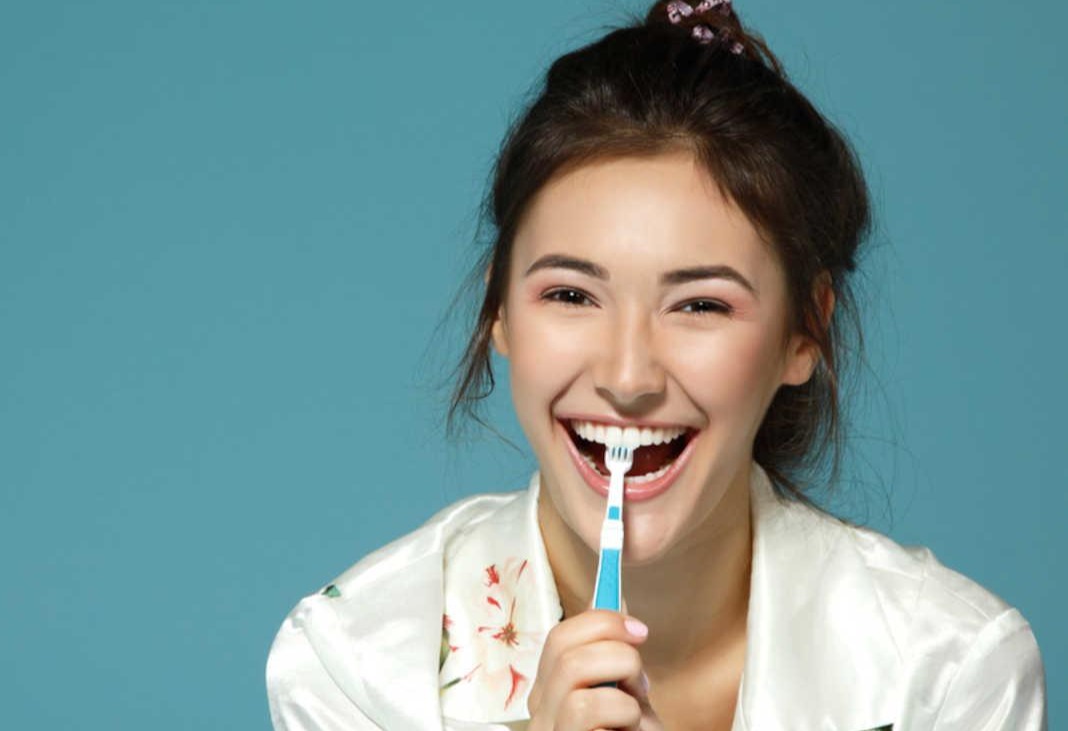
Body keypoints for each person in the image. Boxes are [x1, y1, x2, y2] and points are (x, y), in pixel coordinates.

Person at [265, 1, 1047, 729]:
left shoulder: (946, 671)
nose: (629, 374)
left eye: (701, 305)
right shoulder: (354, 662)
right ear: (498, 309)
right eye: (571, 293)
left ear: (804, 332)